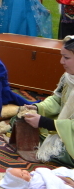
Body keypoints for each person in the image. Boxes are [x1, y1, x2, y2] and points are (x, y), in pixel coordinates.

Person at [20, 36, 74, 167]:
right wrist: (38, 108)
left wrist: (45, 123)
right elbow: (58, 100)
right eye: (62, 56)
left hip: (68, 130)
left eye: (66, 58)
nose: (61, 62)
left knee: (63, 153)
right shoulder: (68, 77)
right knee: (21, 119)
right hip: (63, 124)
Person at [0, 166, 74, 189]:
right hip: (56, 184)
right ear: (22, 183)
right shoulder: (34, 186)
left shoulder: (32, 175)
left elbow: (44, 172)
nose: (25, 172)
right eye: (22, 175)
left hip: (53, 177)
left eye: (22, 170)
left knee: (62, 170)